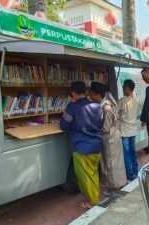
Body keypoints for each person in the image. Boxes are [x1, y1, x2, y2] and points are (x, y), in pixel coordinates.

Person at [60, 81, 103, 209]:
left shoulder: (72, 107)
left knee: (84, 177)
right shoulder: (96, 106)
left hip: (81, 147)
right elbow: (100, 124)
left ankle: (93, 202)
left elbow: (64, 125)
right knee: (93, 174)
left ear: (73, 93)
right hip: (96, 145)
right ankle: (95, 197)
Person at [90, 82, 127, 193]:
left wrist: (93, 129)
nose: (90, 96)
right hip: (114, 135)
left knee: (111, 163)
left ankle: (114, 187)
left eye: (91, 94)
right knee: (115, 162)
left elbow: (105, 128)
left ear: (97, 94)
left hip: (109, 137)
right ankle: (118, 183)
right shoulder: (108, 102)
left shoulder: (105, 107)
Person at [118, 79, 140, 181]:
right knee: (133, 152)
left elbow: (116, 114)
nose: (122, 89)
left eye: (123, 87)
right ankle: (136, 172)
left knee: (126, 154)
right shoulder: (136, 101)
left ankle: (130, 175)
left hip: (124, 131)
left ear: (127, 88)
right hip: (133, 130)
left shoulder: (122, 101)